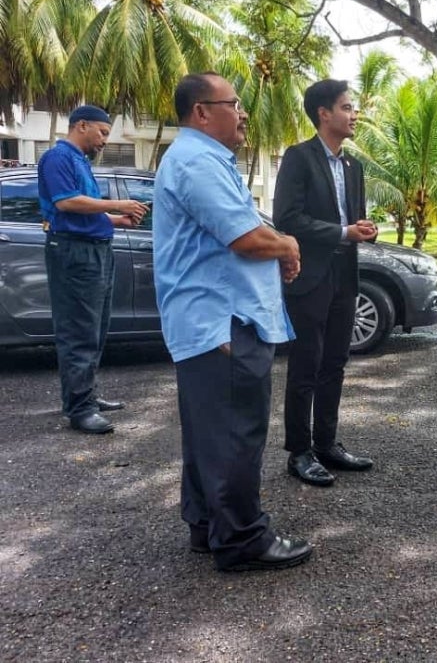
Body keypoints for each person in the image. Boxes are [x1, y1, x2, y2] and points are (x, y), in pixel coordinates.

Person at [154, 72, 312, 571]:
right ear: (202, 111)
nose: (243, 113)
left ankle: (208, 525)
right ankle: (242, 540)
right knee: (236, 432)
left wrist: (277, 241)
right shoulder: (198, 160)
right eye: (234, 103)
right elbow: (243, 236)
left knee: (209, 431)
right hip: (223, 322)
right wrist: (286, 245)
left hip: (213, 322)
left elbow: (246, 226)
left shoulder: (199, 159)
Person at [272, 79, 378, 488]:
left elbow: (353, 219)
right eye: (347, 107)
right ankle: (299, 452)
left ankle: (327, 444)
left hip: (344, 276)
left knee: (335, 363)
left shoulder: (354, 166)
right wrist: (342, 232)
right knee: (306, 365)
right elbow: (288, 219)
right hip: (309, 276)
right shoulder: (298, 158)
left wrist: (362, 229)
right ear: (324, 113)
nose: (354, 115)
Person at [37, 105, 149, 434]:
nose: (104, 140)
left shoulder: (79, 160)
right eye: (101, 133)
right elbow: (66, 203)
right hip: (75, 252)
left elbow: (83, 210)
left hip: (95, 250)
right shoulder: (58, 158)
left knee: (96, 329)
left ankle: (84, 395)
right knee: (79, 331)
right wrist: (117, 204)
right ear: (81, 125)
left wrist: (117, 219)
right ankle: (79, 408)